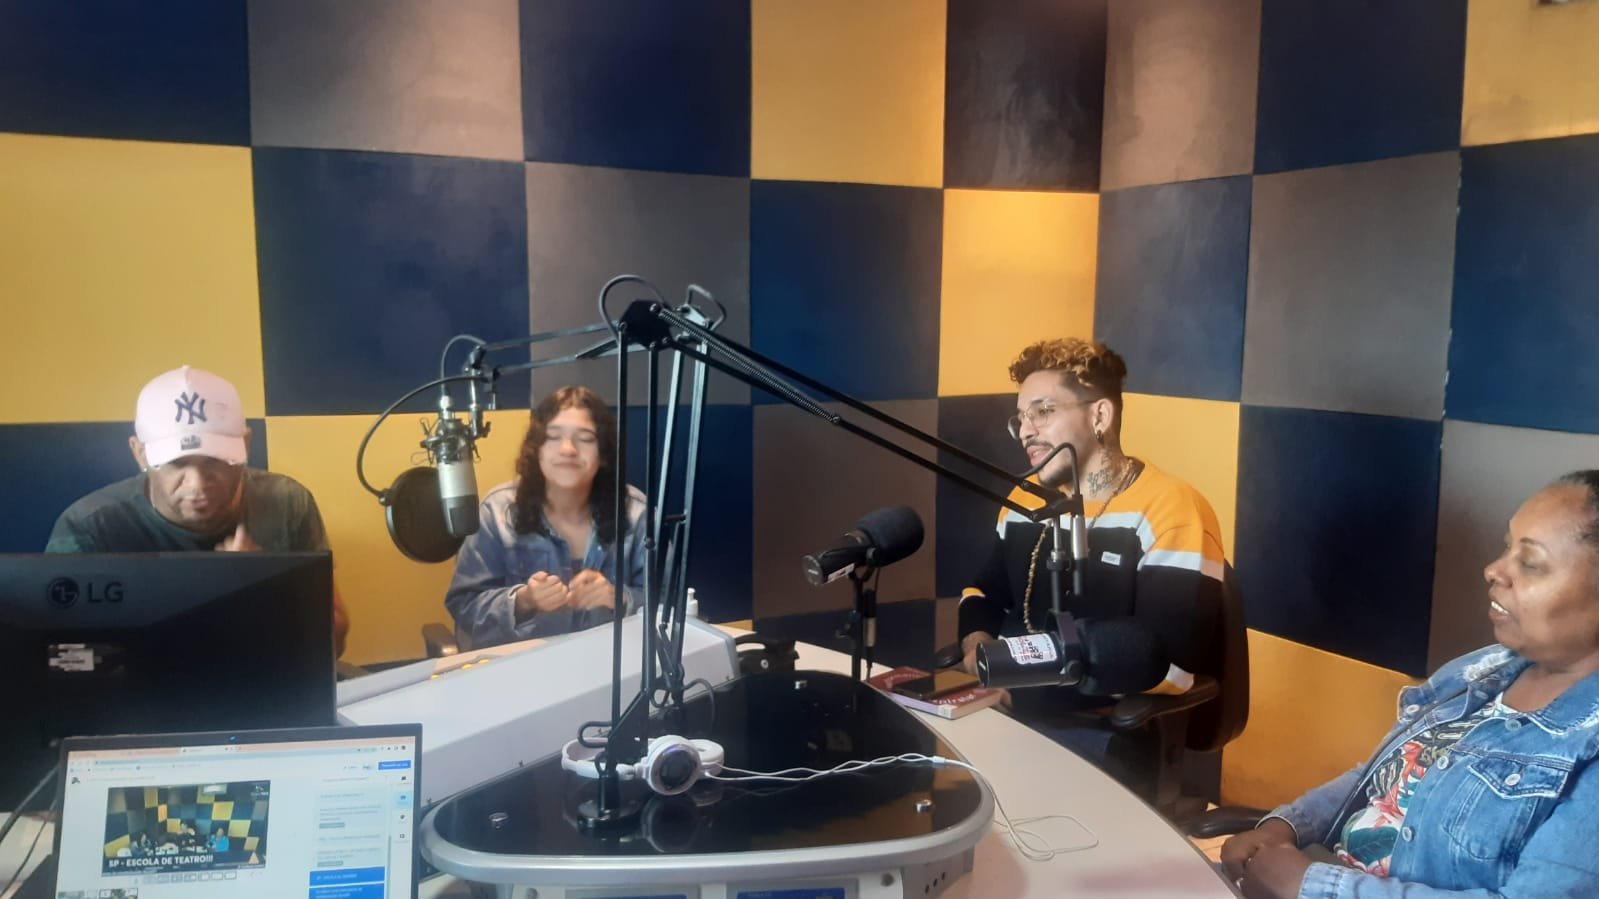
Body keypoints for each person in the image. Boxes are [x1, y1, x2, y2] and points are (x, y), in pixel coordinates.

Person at [1222, 472, 1599, 898]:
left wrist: (1311, 886)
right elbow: (1388, 777)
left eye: (1529, 563)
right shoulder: (1482, 670)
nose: (1493, 570)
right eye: (1506, 547)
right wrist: (1283, 827)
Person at [955, 338, 1227, 774]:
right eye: (1020, 418)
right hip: (1006, 712)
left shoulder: (1172, 508)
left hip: (1100, 733)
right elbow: (982, 591)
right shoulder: (1024, 502)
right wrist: (977, 642)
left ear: (1100, 415)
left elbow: (1169, 661)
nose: (1025, 431)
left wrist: (1021, 677)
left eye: (1043, 411)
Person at [45, 365, 349, 656]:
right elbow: (58, 656)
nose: (198, 484)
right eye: (177, 463)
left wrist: (264, 589)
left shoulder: (287, 502)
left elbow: (334, 642)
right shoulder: (91, 527)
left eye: (214, 461)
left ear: (245, 444)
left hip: (266, 681)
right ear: (140, 454)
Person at [444, 386, 646, 648]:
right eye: (553, 436)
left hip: (612, 665)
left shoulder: (637, 515)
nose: (568, 449)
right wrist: (524, 601)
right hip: (520, 667)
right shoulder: (497, 511)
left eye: (585, 438)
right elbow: (463, 605)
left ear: (604, 454)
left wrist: (618, 598)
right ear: (537, 449)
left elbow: (673, 606)